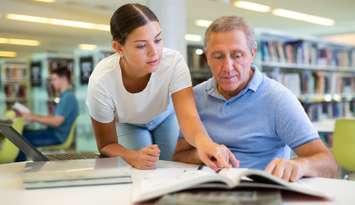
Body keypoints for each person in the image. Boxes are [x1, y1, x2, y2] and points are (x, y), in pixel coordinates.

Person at [173, 16, 338, 181]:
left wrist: (300, 166)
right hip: (209, 188)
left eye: (237, 55)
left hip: (260, 190)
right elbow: (179, 154)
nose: (228, 67)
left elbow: (329, 165)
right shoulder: (195, 97)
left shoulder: (278, 99)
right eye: (218, 56)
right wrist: (208, 154)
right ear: (207, 57)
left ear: (252, 54)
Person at [86, 3, 237, 170]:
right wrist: (133, 156)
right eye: (141, 45)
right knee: (142, 168)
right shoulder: (101, 82)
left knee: (170, 166)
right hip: (129, 124)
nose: (154, 52)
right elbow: (106, 145)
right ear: (118, 47)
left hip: (165, 117)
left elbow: (190, 119)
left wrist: (206, 145)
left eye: (157, 40)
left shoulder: (173, 62)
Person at [19, 65, 79, 147]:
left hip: (57, 136)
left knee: (20, 139)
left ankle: (20, 160)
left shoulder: (68, 97)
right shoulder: (64, 96)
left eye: (54, 79)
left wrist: (34, 118)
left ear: (64, 78)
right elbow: (53, 118)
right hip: (53, 132)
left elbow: (56, 122)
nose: (52, 83)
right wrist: (33, 116)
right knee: (22, 133)